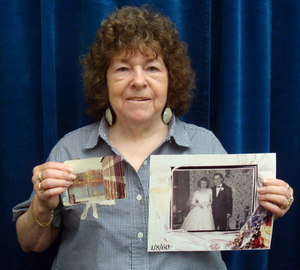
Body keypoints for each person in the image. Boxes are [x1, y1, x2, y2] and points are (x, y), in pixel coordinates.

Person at [12, 6, 294, 270]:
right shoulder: (71, 150)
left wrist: (269, 208)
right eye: (123, 68)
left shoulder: (205, 145)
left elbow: (242, 230)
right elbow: (30, 243)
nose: (138, 81)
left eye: (152, 68)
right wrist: (42, 204)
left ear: (172, 79)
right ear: (103, 80)